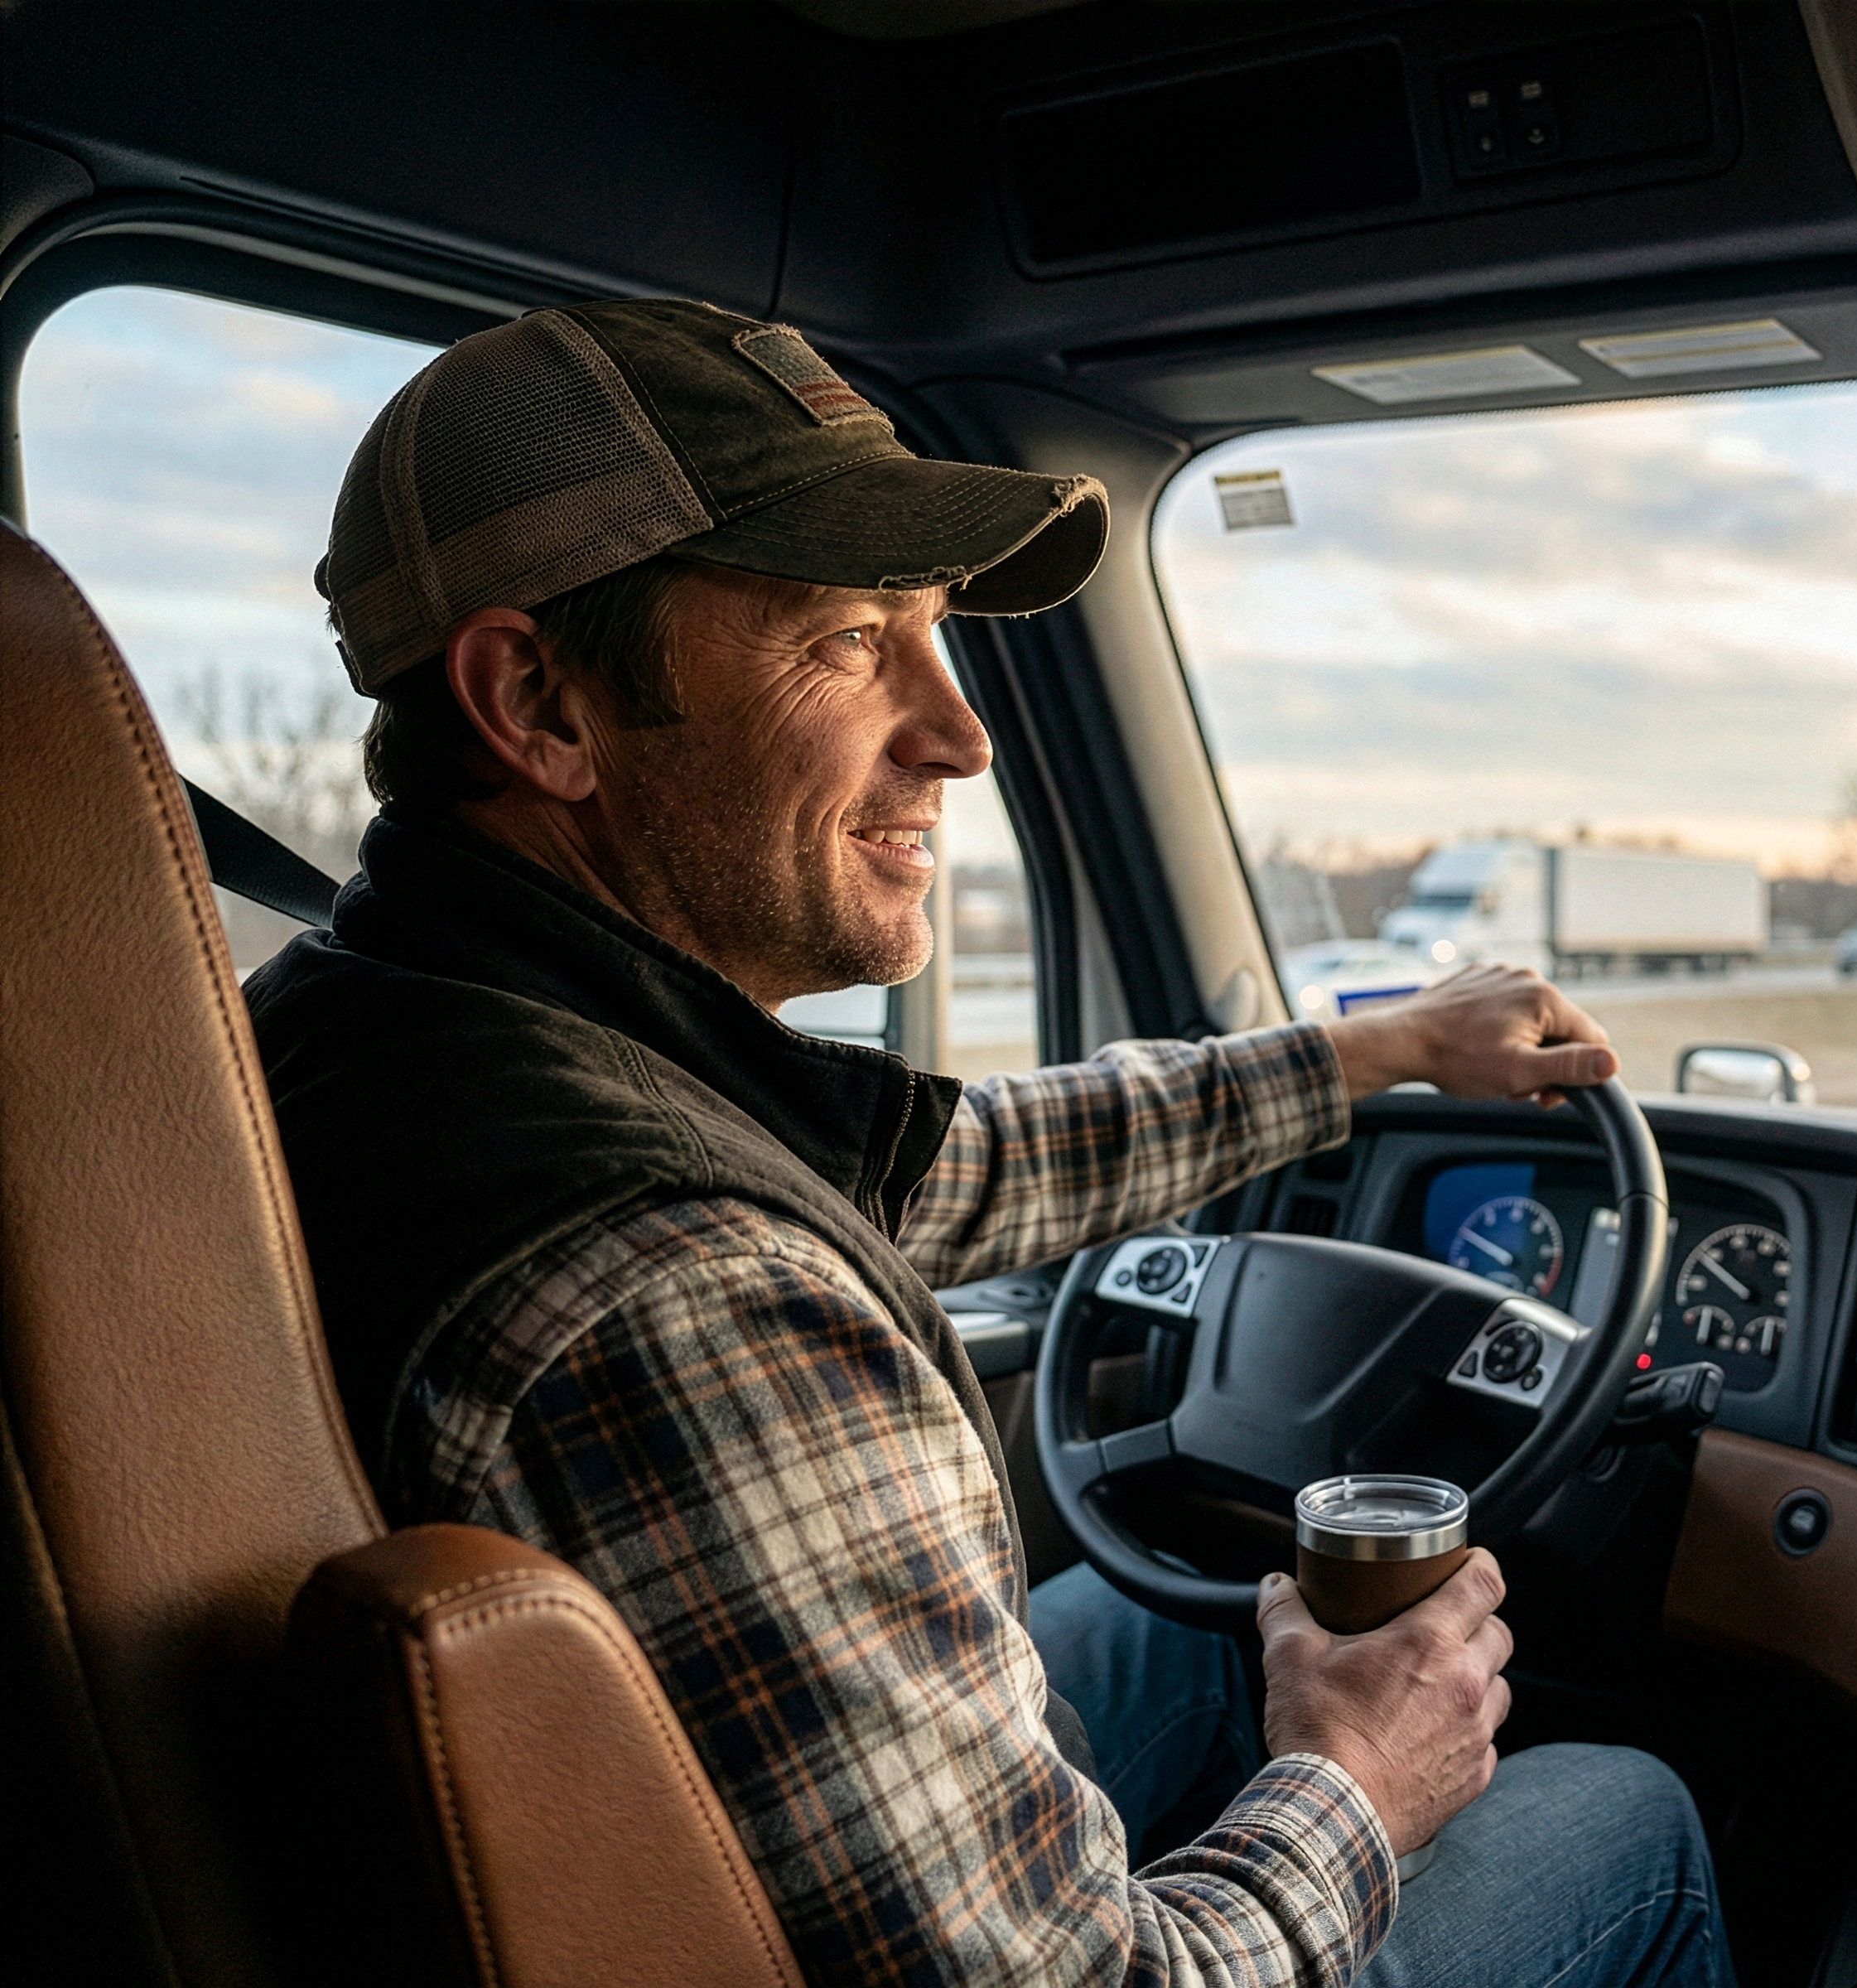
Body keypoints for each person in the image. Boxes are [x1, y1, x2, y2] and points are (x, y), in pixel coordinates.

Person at [244, 297, 1734, 1988]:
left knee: (1175, 1634)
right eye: (849, 639)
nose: (960, 733)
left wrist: (1369, 1053)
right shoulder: (691, 1291)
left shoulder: (391, 1028)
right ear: (543, 702)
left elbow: (953, 1169)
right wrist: (1360, 1782)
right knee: (1622, 1811)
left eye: (934, 632)